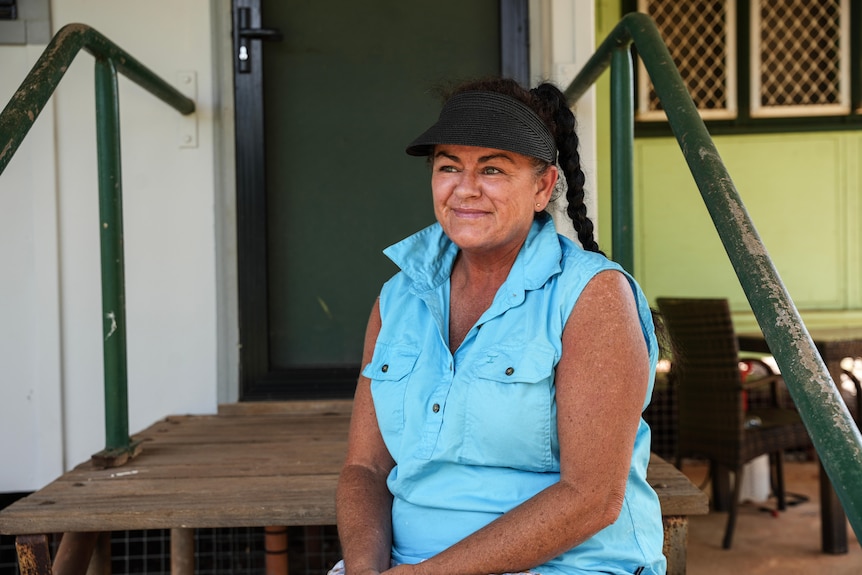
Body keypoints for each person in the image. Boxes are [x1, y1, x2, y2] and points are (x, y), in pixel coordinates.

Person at [331, 78, 665, 575]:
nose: (465, 188)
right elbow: (366, 467)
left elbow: (591, 498)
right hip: (403, 563)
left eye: (492, 169)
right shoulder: (399, 297)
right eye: (449, 167)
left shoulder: (592, 297)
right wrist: (363, 570)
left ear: (543, 187)